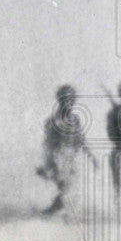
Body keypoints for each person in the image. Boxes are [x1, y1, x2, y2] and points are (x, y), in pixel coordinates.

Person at [37, 84, 92, 216]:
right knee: (67, 187)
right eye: (66, 100)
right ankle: (61, 213)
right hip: (59, 157)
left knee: (71, 188)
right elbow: (48, 143)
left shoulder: (75, 119)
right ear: (60, 101)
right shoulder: (53, 121)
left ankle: (53, 210)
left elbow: (80, 138)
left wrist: (91, 155)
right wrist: (48, 163)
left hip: (71, 156)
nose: (69, 103)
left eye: (71, 100)